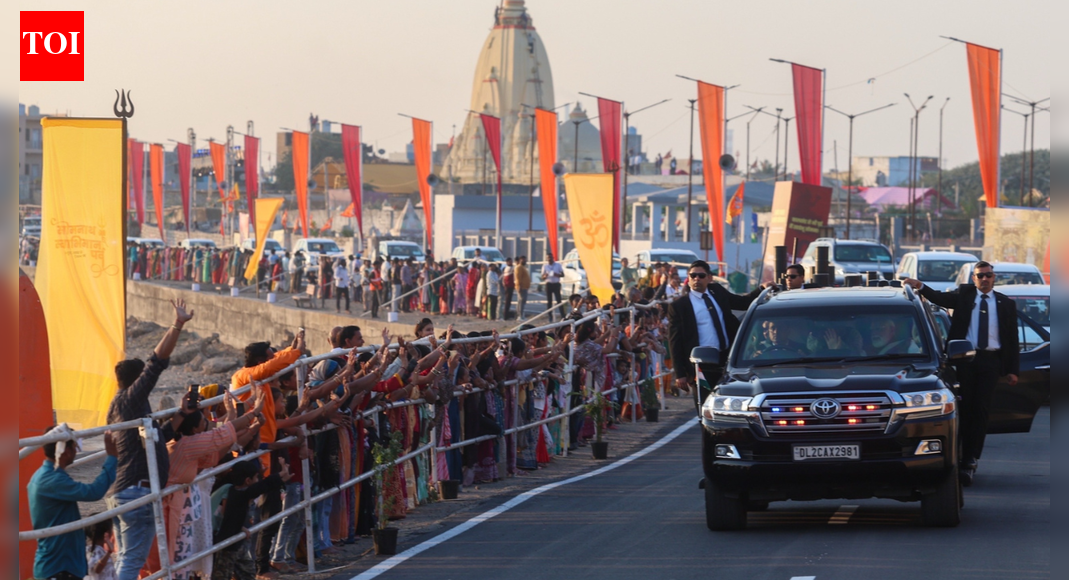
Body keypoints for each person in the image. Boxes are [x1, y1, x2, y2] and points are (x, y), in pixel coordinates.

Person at [904, 261, 1019, 486]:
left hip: (991, 361)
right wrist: (920, 285)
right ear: (973, 279)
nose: (984, 279)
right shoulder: (965, 295)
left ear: (994, 278)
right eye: (980, 276)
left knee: (981, 409)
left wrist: (1012, 370)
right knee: (965, 408)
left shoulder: (1005, 304)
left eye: (988, 275)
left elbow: (1012, 339)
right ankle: (960, 454)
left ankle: (971, 458)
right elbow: (940, 298)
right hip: (965, 358)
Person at [106, 299, 193, 580]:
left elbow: (156, 439)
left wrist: (180, 414)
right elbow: (156, 364)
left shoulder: (117, 406)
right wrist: (177, 324)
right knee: (133, 559)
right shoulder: (132, 399)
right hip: (137, 491)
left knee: (126, 557)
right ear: (136, 382)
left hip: (123, 491)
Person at [667, 260, 765, 411]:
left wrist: (761, 289)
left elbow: (742, 303)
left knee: (730, 404)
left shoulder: (717, 291)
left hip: (726, 359)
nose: (696, 279)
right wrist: (680, 373)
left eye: (701, 275)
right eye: (693, 276)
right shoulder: (680, 306)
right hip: (701, 364)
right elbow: (675, 341)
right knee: (705, 409)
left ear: (709, 278)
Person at [29, 428, 118, 580]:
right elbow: (93, 492)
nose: (76, 451)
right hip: (60, 567)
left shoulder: (44, 476)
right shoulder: (52, 480)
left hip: (58, 565)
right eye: (75, 447)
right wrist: (111, 457)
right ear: (67, 451)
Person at [541, 253, 564, 322]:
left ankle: (563, 315)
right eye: (548, 258)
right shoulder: (545, 266)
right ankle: (550, 316)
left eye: (550, 258)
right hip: (549, 284)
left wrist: (557, 274)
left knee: (559, 300)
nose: (549, 259)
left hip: (556, 284)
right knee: (549, 301)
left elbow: (562, 274)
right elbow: (542, 277)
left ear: (553, 257)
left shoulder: (558, 265)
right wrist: (545, 276)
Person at [515, 256, 531, 321]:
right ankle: (520, 316)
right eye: (523, 260)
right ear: (520, 260)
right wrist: (519, 286)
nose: (524, 261)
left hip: (525, 287)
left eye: (525, 259)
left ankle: (521, 315)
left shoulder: (523, 267)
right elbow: (519, 278)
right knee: (521, 301)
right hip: (522, 287)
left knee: (522, 301)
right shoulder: (519, 267)